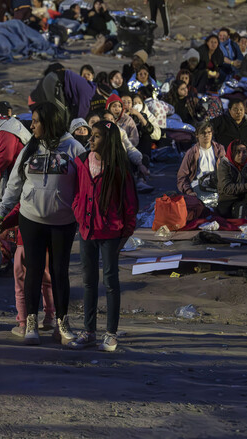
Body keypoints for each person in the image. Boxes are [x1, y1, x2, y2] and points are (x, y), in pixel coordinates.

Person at [0, 102, 86, 345]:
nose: (32, 125)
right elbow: (14, 183)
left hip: (63, 222)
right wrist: (1, 212)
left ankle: (62, 324)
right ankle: (31, 324)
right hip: (31, 219)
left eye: (36, 121)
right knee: (33, 271)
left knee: (59, 272)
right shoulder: (30, 148)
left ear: (49, 122)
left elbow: (86, 185)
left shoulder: (74, 148)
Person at [68, 120, 137, 352]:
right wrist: (78, 210)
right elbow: (76, 192)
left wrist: (126, 232)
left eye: (96, 136)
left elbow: (129, 202)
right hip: (87, 230)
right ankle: (89, 332)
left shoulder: (119, 167)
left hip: (110, 232)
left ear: (108, 140)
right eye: (91, 135)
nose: (91, 139)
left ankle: (110, 334)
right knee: (88, 281)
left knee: (110, 282)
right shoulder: (81, 162)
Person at [177, 122, 226, 198]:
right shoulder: (191, 153)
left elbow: (226, 170)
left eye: (209, 132)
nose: (206, 135)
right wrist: (188, 191)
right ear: (197, 135)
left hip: (216, 184)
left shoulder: (220, 149)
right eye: (203, 133)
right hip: (198, 185)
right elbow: (182, 176)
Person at [216, 140, 247, 219]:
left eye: (244, 152)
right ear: (232, 153)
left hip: (246, 198)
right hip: (228, 200)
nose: (241, 155)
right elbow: (226, 188)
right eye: (238, 152)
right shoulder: (224, 165)